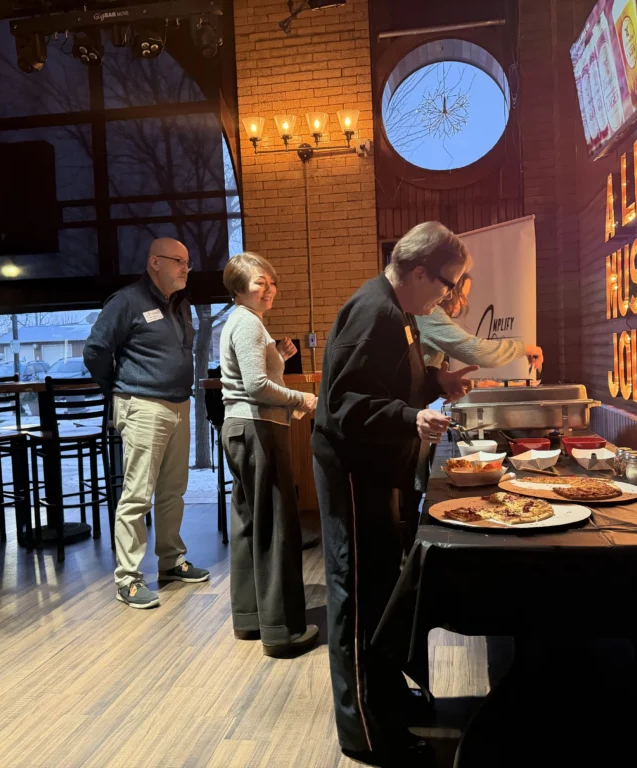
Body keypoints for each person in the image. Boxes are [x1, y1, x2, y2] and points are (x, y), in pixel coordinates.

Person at [312, 221, 478, 766]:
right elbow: (342, 407)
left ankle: (383, 695)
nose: (449, 296)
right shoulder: (376, 311)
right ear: (417, 270)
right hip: (356, 475)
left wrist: (437, 385)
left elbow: (387, 383)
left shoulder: (398, 309)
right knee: (358, 599)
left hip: (377, 473)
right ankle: (365, 729)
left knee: (380, 589)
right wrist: (413, 417)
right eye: (448, 284)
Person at [83, 237, 209, 610]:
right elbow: (95, 350)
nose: (186, 268)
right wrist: (119, 389)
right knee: (137, 494)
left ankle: (170, 562)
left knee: (173, 491)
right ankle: (128, 578)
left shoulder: (179, 305)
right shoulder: (127, 301)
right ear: (155, 262)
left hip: (177, 404)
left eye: (188, 262)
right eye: (179, 261)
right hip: (142, 405)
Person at [218, 252, 320, 658]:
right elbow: (258, 386)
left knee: (250, 525)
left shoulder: (245, 323)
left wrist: (282, 355)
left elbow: (257, 376)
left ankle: (250, 619)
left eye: (272, 282)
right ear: (239, 287)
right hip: (257, 428)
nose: (269, 289)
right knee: (276, 527)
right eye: (260, 282)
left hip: (243, 428)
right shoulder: (246, 323)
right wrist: (304, 398)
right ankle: (281, 632)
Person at [400, 274, 546, 551]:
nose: (461, 302)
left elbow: (427, 374)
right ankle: (410, 565)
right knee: (410, 494)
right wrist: (526, 348)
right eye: (460, 294)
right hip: (408, 417)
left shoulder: (425, 316)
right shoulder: (429, 315)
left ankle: (408, 558)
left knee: (414, 491)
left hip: (414, 412)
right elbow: (475, 350)